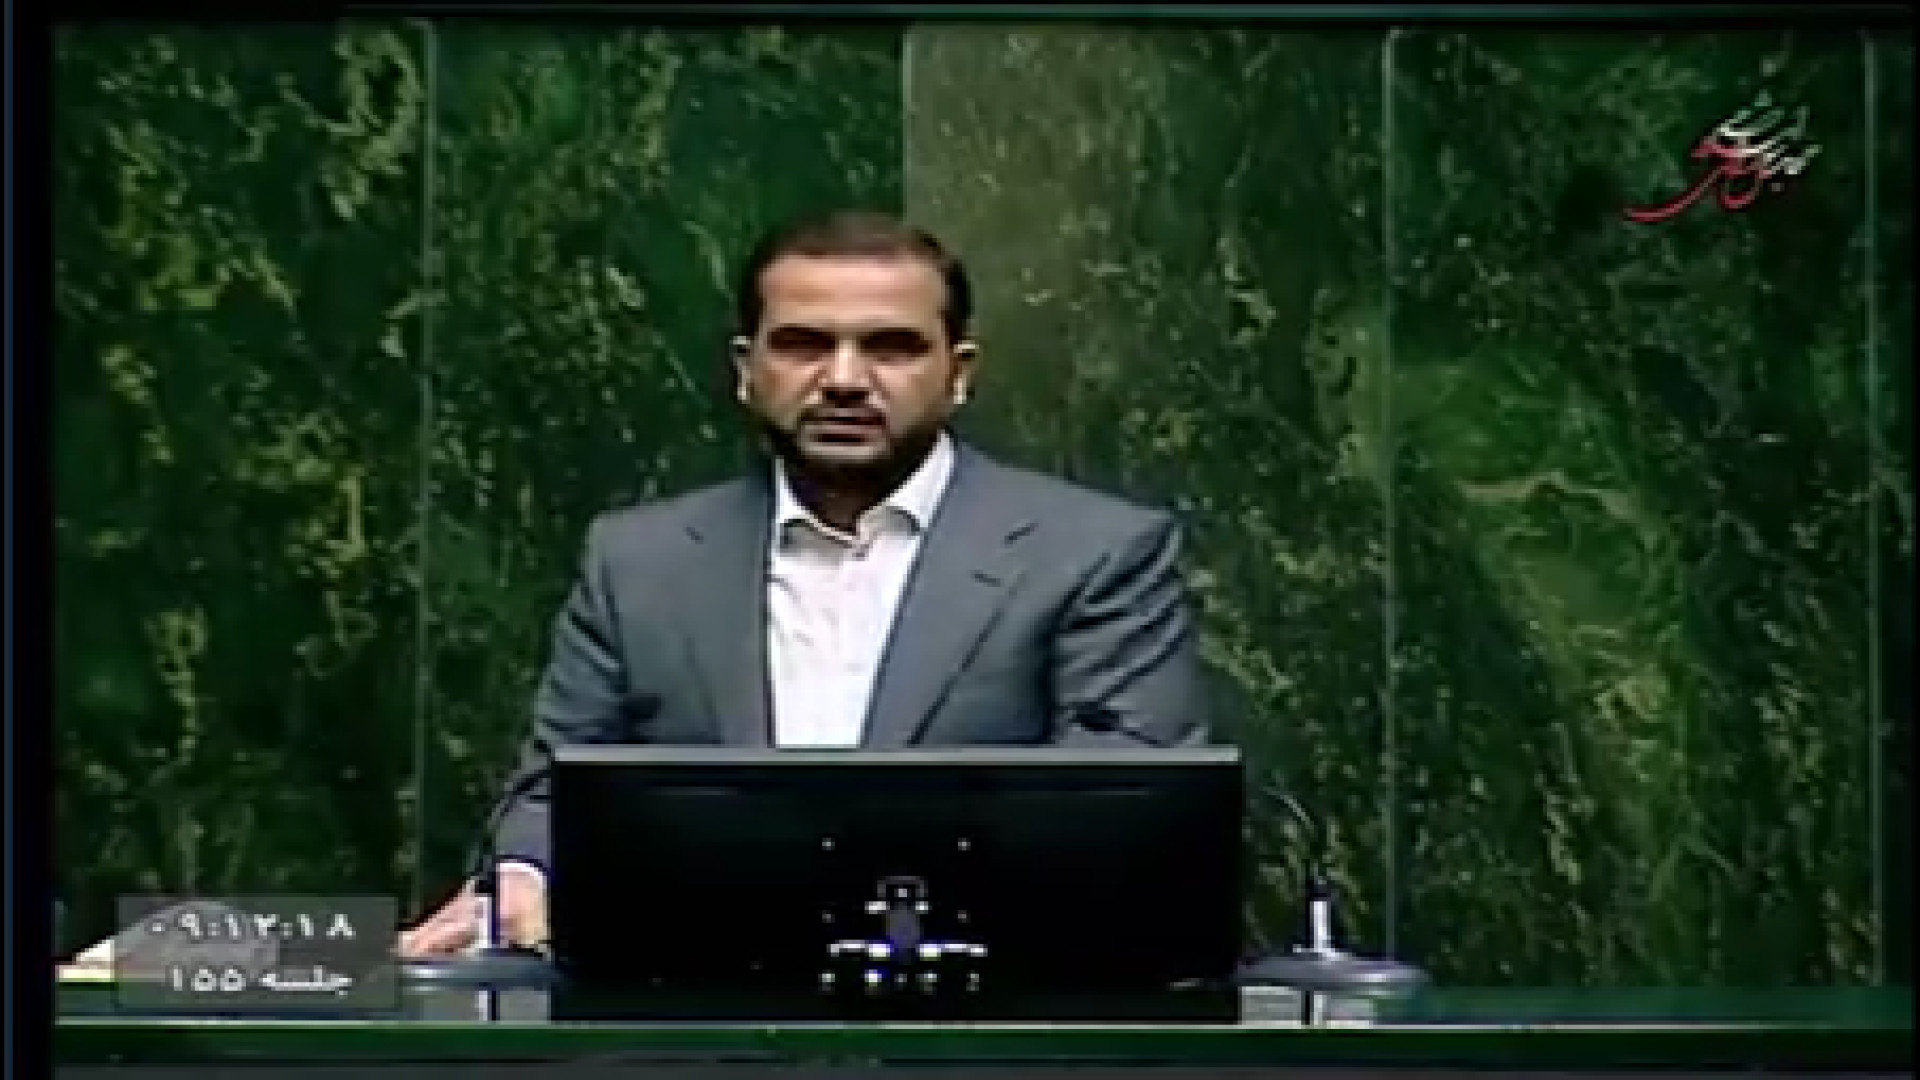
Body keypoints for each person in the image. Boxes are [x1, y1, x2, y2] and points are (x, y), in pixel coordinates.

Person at [398, 209, 1210, 957]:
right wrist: (523, 878)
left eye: (891, 347)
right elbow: (554, 786)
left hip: (981, 1011)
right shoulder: (639, 560)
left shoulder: (1093, 553)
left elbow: (1128, 806)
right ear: (746, 369)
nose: (845, 378)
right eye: (803, 344)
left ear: (958, 373)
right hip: (703, 1007)